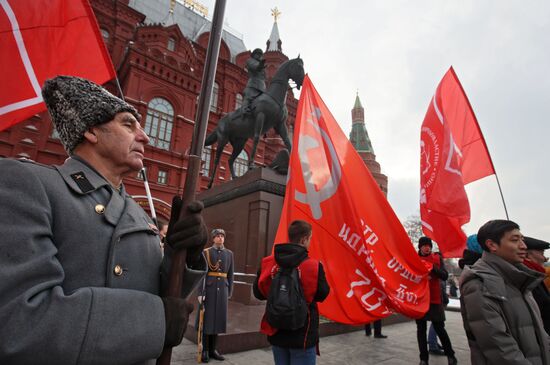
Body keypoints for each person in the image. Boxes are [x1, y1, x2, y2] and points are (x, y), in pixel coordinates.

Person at [0, 76, 208, 364]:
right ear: (92, 132)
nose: (145, 137)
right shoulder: (29, 184)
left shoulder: (138, 213)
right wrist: (153, 320)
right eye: (128, 124)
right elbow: (19, 323)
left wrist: (184, 255)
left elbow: (159, 293)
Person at [460, 220, 550, 364]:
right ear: (492, 245)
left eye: (522, 239)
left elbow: (540, 333)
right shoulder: (479, 283)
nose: (523, 246)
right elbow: (500, 349)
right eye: (515, 240)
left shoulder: (521, 278)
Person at [253, 220, 330, 365]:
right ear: (304, 239)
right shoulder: (313, 266)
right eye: (310, 238)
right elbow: (323, 294)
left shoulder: (268, 263)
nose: (310, 242)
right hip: (303, 335)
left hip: (276, 331)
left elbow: (258, 293)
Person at [416, 237, 457, 365]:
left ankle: (451, 355)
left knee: (440, 328)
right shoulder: (414, 259)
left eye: (429, 245)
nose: (427, 247)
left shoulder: (436, 258)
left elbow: (444, 275)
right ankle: (423, 359)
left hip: (435, 299)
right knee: (421, 330)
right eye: (424, 245)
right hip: (420, 299)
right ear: (420, 247)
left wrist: (433, 268)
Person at [198, 228, 234, 362]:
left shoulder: (229, 254)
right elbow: (202, 274)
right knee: (207, 320)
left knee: (218, 320)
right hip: (210, 290)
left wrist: (229, 292)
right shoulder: (206, 252)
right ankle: (205, 350)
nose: (220, 238)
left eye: (222, 236)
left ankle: (214, 349)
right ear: (213, 238)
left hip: (223, 291)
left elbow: (230, 274)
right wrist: (201, 292)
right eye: (217, 236)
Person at [523, 236, 550, 334]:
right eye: (542, 253)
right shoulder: (525, 278)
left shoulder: (535, 276)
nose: (545, 258)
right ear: (526, 255)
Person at [242, 48, 266, 116]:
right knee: (248, 97)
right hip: (253, 84)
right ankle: (244, 110)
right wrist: (261, 65)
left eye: (260, 55)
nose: (259, 56)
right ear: (254, 54)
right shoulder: (250, 61)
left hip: (262, 87)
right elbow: (255, 67)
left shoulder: (261, 65)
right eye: (258, 54)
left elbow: (264, 77)